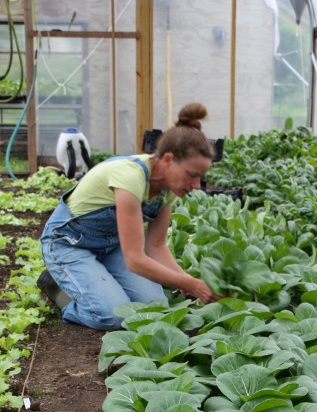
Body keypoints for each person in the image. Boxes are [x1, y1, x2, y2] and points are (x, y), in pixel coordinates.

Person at [38, 102, 221, 330]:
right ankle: (57, 290)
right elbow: (135, 259)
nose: (196, 185)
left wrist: (188, 283)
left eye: (200, 178)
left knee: (154, 308)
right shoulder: (130, 177)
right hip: (68, 245)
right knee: (112, 316)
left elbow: (156, 246)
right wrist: (192, 284)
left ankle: (96, 280)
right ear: (167, 160)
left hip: (111, 248)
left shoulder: (168, 191)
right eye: (192, 175)